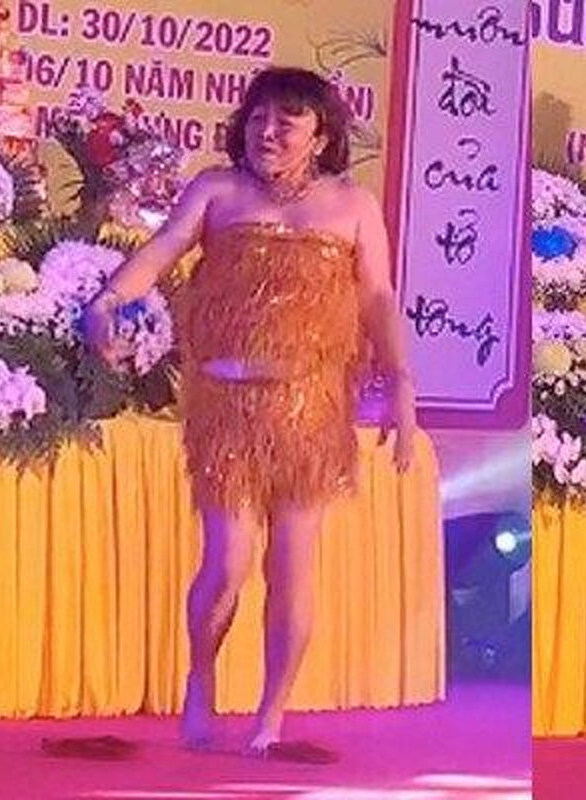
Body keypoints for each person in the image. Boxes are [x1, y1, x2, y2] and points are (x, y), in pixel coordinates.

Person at [82, 67, 418, 759]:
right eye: (260, 118)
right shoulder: (218, 188)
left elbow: (378, 297)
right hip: (226, 405)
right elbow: (163, 249)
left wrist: (402, 385)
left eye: (287, 121)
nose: (269, 131)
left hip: (310, 406)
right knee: (228, 562)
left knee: (291, 567)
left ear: (320, 136)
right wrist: (109, 300)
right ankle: (200, 678)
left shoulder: (352, 204)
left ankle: (271, 716)